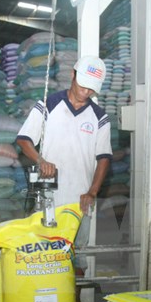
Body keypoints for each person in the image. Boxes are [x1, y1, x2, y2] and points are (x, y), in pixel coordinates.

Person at [16, 55, 112, 215]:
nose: (86, 92)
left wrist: (92, 192)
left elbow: (104, 158)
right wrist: (41, 161)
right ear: (72, 75)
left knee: (78, 232)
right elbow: (23, 140)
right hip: (49, 195)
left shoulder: (99, 117)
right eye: (83, 85)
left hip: (81, 200)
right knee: (46, 230)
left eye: (91, 88)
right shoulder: (49, 105)